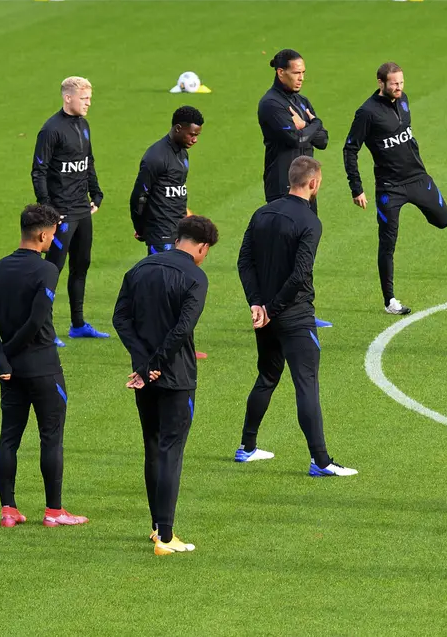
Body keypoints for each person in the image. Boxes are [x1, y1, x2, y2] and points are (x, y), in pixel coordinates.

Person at [235, 156, 356, 477]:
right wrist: (272, 310)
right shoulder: (309, 222)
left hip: (265, 316)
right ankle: (321, 461)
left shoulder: (262, 213)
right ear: (313, 183)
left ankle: (247, 447)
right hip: (295, 316)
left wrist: (257, 305)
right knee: (306, 385)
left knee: (267, 376)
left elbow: (244, 262)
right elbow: (300, 274)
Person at [114, 215, 219, 556]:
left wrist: (144, 366)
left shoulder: (140, 268)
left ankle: (156, 526)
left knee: (153, 446)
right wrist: (157, 365)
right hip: (177, 378)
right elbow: (182, 329)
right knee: (171, 452)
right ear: (201, 247)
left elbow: (121, 319)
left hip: (144, 378)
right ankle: (167, 536)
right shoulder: (195, 277)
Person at [0, 204, 88, 529]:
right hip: (42, 367)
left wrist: (1, 357)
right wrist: (9, 353)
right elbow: (37, 319)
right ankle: (54, 511)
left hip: (9, 373)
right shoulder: (46, 271)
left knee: (9, 437)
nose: (54, 240)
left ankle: (8, 510)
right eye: (53, 234)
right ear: (42, 235)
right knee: (50, 437)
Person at [343, 62, 447, 315]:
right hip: (390, 188)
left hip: (418, 178)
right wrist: (356, 188)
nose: (399, 87)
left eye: (401, 82)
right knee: (388, 242)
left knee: (443, 220)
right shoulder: (366, 113)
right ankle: (389, 300)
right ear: (380, 83)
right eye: (394, 83)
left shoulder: (404, 100)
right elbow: (350, 149)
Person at [257, 48, 331, 329]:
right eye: (296, 72)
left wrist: (311, 126)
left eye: (303, 72)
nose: (301, 78)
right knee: (282, 250)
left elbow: (321, 139)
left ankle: (303, 310)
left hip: (307, 186)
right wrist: (311, 125)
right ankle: (273, 310)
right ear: (280, 72)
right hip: (282, 184)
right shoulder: (271, 104)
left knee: (306, 246)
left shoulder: (300, 101)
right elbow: (293, 138)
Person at [31, 76, 108, 343]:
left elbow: (88, 162)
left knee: (81, 265)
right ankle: (43, 329)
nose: (88, 103)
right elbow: (38, 171)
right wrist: (47, 209)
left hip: (81, 209)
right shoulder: (50, 130)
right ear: (68, 98)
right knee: (52, 269)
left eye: (89, 98)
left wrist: (96, 192)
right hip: (61, 212)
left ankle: (77, 324)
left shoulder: (84, 125)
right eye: (84, 99)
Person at [130, 107, 204, 256]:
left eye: (197, 135)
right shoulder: (155, 157)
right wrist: (140, 227)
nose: (195, 140)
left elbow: (176, 190)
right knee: (161, 276)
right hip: (160, 233)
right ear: (178, 129)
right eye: (192, 134)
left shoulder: (183, 153)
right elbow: (139, 196)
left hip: (181, 231)